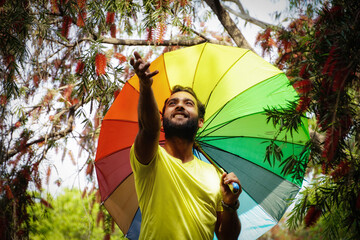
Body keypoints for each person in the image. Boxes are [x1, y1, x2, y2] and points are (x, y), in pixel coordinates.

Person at [129, 51, 242, 240]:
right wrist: (146, 86)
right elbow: (148, 129)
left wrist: (230, 205)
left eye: (188, 103)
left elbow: (226, 238)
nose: (180, 106)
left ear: (200, 121)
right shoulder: (150, 158)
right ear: (162, 119)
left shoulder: (216, 174)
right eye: (172, 103)